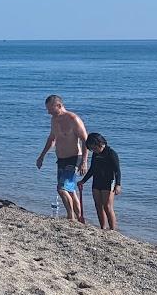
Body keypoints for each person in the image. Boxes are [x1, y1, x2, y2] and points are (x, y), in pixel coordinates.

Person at [35, 94, 88, 223]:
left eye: (51, 109)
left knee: (61, 188)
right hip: (61, 159)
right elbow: (52, 139)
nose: (48, 112)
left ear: (59, 105)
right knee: (70, 190)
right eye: (47, 109)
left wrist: (84, 162)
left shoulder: (73, 119)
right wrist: (42, 156)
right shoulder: (54, 120)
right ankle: (80, 217)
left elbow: (85, 140)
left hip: (74, 158)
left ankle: (71, 217)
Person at [79, 132, 122, 231]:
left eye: (94, 147)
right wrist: (83, 181)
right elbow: (92, 169)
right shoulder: (95, 154)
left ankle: (112, 229)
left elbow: (117, 170)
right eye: (91, 148)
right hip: (97, 181)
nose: (93, 150)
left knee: (107, 206)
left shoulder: (111, 153)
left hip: (108, 181)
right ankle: (103, 227)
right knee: (98, 205)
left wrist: (118, 184)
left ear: (100, 143)